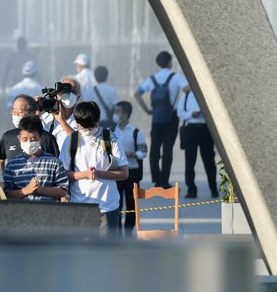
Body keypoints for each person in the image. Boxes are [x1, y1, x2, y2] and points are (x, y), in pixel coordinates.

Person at [60, 102, 128, 236]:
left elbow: (124, 173)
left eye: (90, 126)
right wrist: (85, 174)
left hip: (107, 206)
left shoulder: (110, 139)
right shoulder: (71, 140)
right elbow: (63, 175)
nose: (87, 130)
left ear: (98, 120)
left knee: (107, 252)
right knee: (81, 252)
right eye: (82, 126)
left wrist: (99, 173)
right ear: (77, 122)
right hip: (79, 206)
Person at [134, 51, 188, 188]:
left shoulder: (152, 79)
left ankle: (156, 179)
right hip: (172, 117)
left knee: (154, 149)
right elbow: (187, 89)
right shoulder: (176, 77)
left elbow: (137, 93)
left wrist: (147, 110)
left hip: (156, 117)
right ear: (170, 62)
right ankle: (165, 180)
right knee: (168, 149)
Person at [4, 116, 69, 201]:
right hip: (20, 212)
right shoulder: (12, 164)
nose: (29, 143)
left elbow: (63, 191)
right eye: (25, 139)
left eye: (33, 139)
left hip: (48, 211)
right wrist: (26, 191)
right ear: (19, 139)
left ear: (41, 139)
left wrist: (41, 190)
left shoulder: (54, 162)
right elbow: (6, 193)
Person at [0, 94, 60, 171]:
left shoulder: (47, 138)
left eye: (20, 111)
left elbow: (57, 164)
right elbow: (0, 160)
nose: (16, 115)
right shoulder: (8, 136)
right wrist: (1, 180)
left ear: (32, 113)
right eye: (14, 111)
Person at [112, 101, 147, 234]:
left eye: (117, 112)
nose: (114, 115)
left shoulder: (137, 132)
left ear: (126, 115)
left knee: (132, 206)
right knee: (117, 205)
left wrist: (131, 154)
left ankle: (128, 232)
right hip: (116, 173)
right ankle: (117, 232)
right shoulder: (111, 131)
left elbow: (143, 152)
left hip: (132, 173)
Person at [177, 89, 218, 199]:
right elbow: (180, 112)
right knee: (190, 162)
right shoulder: (186, 96)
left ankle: (214, 188)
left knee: (209, 160)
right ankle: (191, 189)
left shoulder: (207, 94)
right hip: (191, 128)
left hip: (205, 128)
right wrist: (191, 114)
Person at [40, 77, 81, 150]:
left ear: (78, 96)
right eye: (65, 90)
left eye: (73, 92)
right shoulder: (45, 118)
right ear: (57, 93)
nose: (69, 94)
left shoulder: (82, 118)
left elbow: (81, 144)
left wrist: (62, 122)